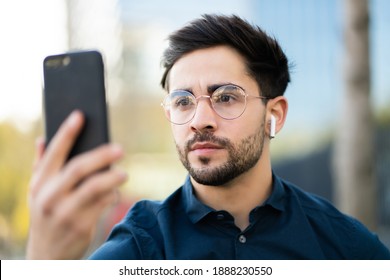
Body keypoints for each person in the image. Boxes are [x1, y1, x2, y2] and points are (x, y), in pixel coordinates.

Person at [27, 14, 390, 260]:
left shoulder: (343, 246)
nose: (200, 120)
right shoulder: (141, 246)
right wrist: (45, 260)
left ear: (274, 113)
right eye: (182, 101)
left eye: (226, 97)